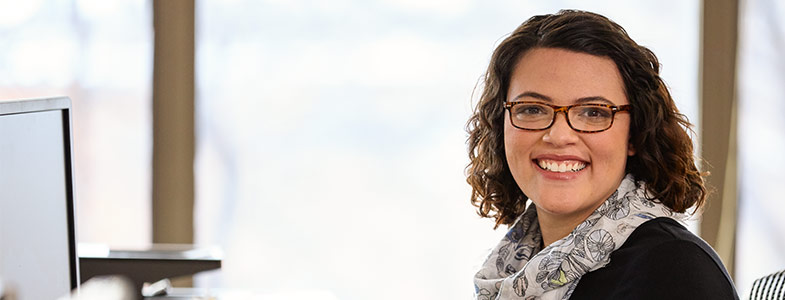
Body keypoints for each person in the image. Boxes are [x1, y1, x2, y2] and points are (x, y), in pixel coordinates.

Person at [466, 10, 739, 300]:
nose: (559, 136)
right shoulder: (512, 267)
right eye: (532, 109)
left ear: (635, 133)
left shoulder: (674, 269)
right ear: (501, 124)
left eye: (593, 113)